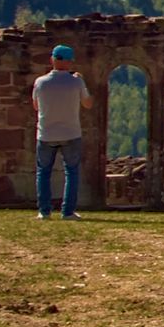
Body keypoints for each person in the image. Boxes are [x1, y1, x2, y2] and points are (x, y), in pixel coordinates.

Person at [32, 44, 93, 220]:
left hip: (46, 133)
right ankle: (68, 211)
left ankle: (44, 211)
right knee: (72, 172)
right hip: (70, 133)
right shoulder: (76, 81)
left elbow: (36, 106)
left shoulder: (40, 82)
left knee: (43, 172)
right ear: (69, 62)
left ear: (52, 60)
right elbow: (87, 104)